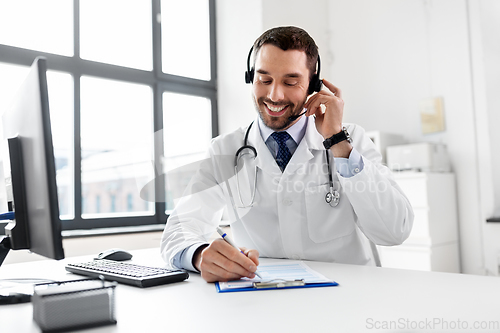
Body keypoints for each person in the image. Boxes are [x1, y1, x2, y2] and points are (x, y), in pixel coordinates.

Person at [161, 26, 413, 283]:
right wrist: (200, 255)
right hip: (265, 301)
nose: (274, 95)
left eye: (290, 82)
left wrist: (338, 143)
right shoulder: (226, 150)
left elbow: (395, 231)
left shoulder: (352, 140)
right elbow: (178, 231)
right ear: (251, 77)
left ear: (313, 85)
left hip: (346, 299)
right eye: (264, 80)